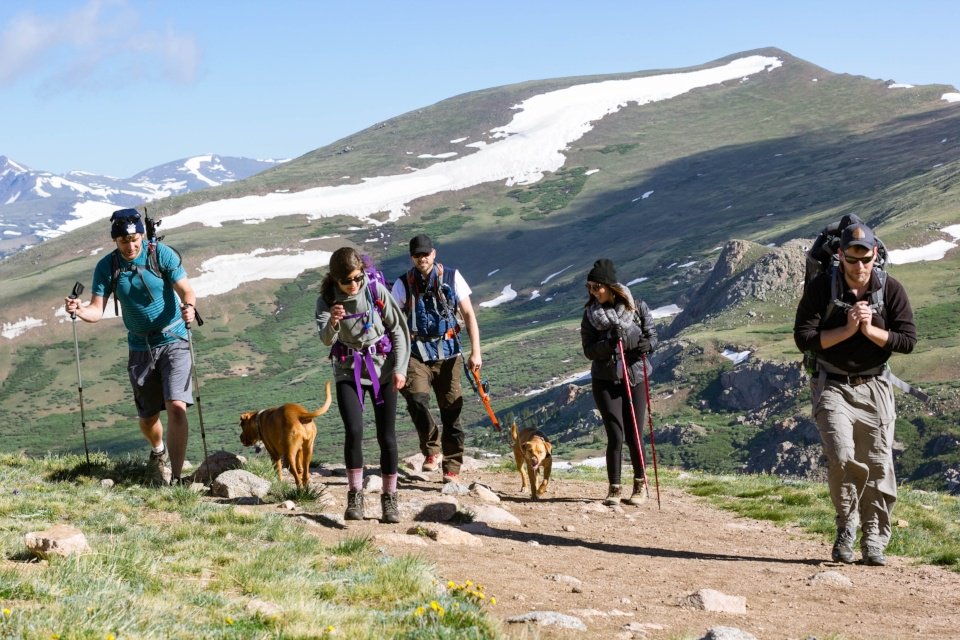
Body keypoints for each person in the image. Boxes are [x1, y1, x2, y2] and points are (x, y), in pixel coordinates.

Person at [794, 222, 916, 566]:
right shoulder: (822, 288)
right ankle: (846, 525)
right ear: (841, 256)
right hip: (831, 384)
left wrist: (871, 330)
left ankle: (874, 538)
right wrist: (848, 329)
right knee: (842, 457)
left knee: (878, 465)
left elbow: (907, 341)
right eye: (852, 260)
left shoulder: (890, 289)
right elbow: (804, 337)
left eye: (865, 259)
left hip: (875, 386)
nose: (859, 267)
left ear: (875, 254)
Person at [63, 208, 198, 486]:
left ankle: (175, 477)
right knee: (148, 418)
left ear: (142, 236)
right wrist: (78, 310)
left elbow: (186, 289)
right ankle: (157, 450)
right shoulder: (107, 267)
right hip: (139, 346)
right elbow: (96, 311)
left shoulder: (161, 254)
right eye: (124, 241)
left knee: (176, 406)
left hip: (173, 338)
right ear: (115, 241)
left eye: (135, 239)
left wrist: (189, 307)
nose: (131, 245)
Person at [316, 247, 410, 523]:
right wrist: (333, 322)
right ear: (335, 280)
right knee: (354, 431)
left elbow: (399, 330)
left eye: (358, 278)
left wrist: (401, 370)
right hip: (348, 370)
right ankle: (355, 495)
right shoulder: (326, 300)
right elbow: (325, 340)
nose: (354, 285)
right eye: (347, 281)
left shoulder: (375, 291)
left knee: (386, 436)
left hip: (383, 369)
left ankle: (390, 499)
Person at [391, 234, 481, 483]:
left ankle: (452, 466)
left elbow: (469, 314)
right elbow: (394, 322)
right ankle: (432, 450)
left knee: (452, 408)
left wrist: (476, 351)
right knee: (416, 398)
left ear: (434, 253)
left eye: (426, 254)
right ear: (412, 257)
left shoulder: (453, 277)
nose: (422, 258)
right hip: (416, 353)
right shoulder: (402, 285)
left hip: (449, 352)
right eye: (417, 255)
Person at [580, 258, 658, 506]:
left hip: (635, 376)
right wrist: (609, 344)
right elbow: (589, 351)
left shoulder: (638, 307)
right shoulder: (590, 315)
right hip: (604, 379)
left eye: (596, 288)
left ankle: (640, 485)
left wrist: (648, 345)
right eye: (590, 288)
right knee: (615, 434)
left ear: (610, 286)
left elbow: (653, 337)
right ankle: (614, 488)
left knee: (635, 434)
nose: (593, 293)